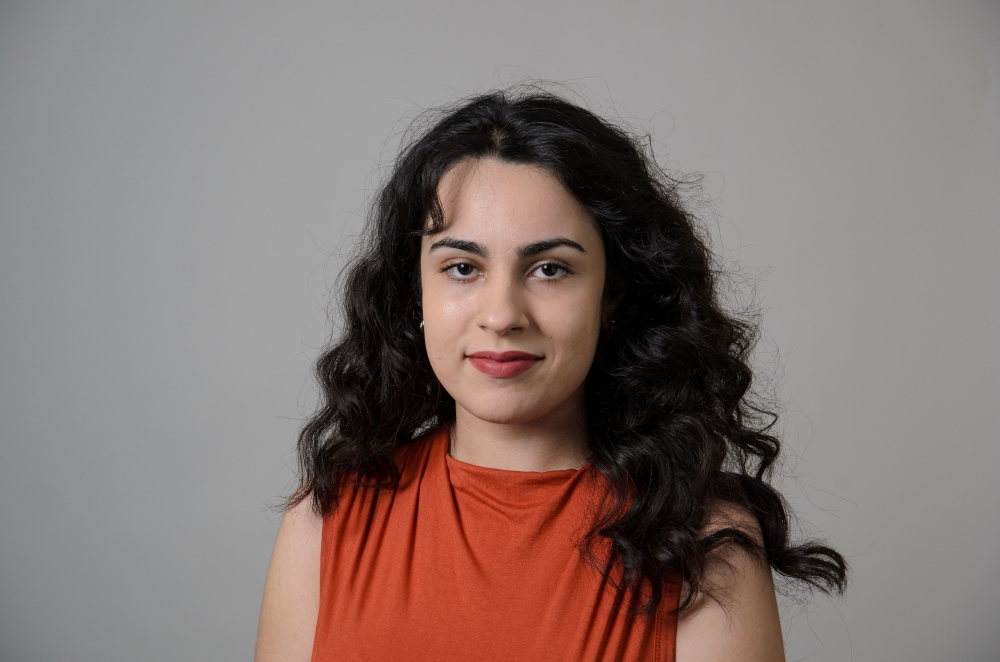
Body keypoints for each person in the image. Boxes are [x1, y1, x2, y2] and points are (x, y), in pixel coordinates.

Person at [253, 86, 847, 662]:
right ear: (416, 294)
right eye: (462, 267)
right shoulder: (326, 519)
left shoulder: (705, 548)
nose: (503, 315)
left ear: (612, 294)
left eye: (550, 269)